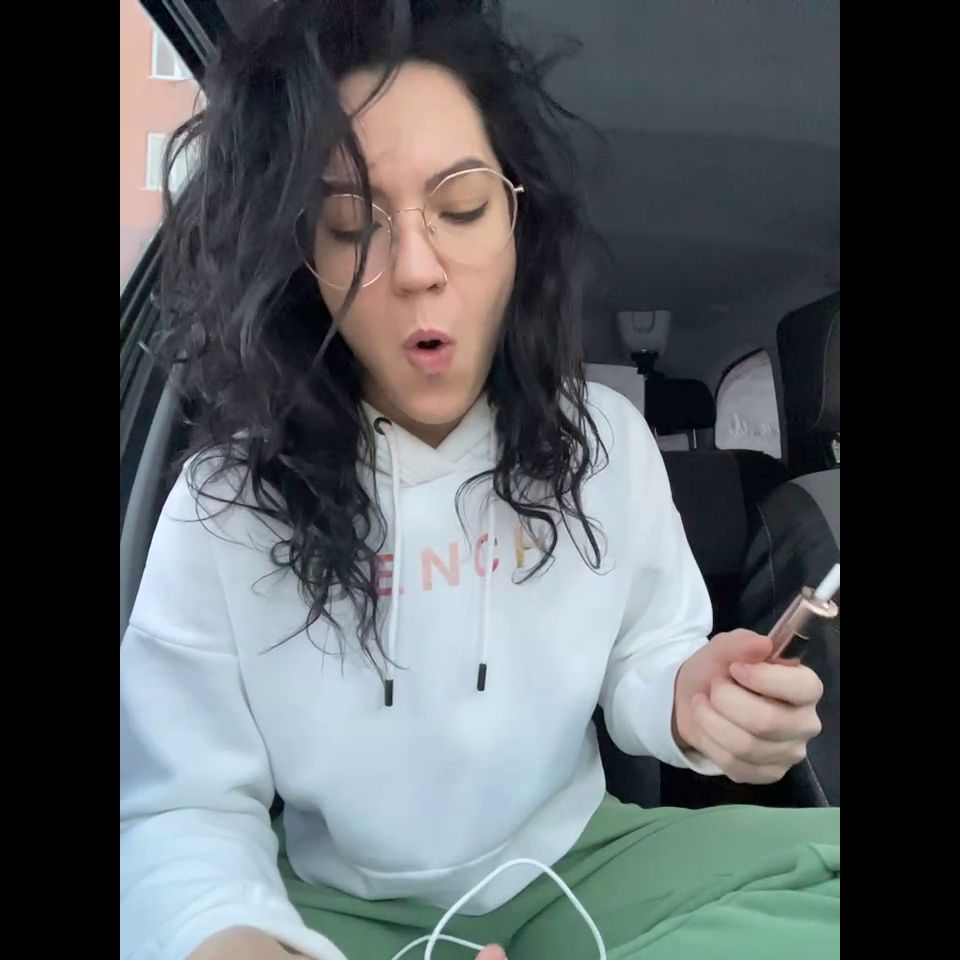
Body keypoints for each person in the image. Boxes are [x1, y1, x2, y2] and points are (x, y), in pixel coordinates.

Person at [120, 3, 839, 958]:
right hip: (337, 906)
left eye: (460, 208)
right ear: (307, 264)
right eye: (350, 224)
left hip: (579, 863)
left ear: (516, 223)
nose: (417, 269)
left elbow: (647, 653)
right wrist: (235, 943)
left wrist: (689, 697)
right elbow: (181, 808)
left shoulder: (607, 443)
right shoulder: (227, 504)